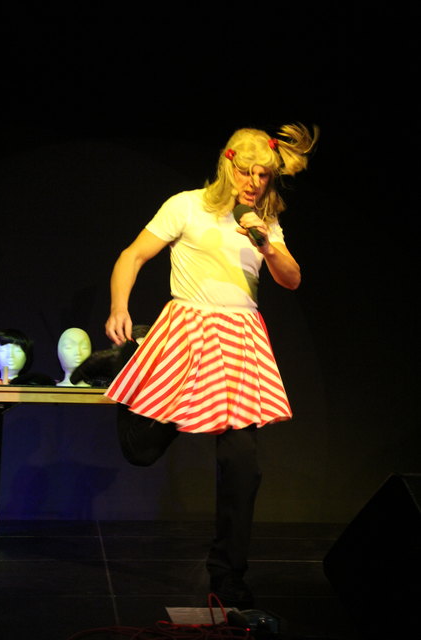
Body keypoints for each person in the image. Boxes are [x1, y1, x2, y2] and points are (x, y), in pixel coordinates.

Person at [104, 123, 318, 607]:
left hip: (240, 340)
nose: (254, 182)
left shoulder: (264, 222)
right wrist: (119, 307)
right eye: (247, 172)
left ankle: (228, 575)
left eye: (264, 175)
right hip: (187, 333)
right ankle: (132, 375)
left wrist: (265, 243)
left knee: (242, 466)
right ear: (228, 163)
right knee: (142, 451)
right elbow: (132, 256)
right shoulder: (187, 205)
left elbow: (291, 279)